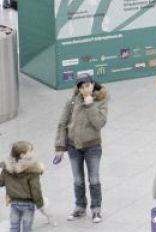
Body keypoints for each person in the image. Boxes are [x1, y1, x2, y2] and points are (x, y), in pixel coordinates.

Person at [54, 75, 108, 223]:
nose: (85, 89)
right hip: (73, 146)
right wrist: (60, 147)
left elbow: (99, 124)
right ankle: (80, 207)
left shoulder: (101, 100)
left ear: (92, 84)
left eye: (87, 85)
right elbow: (62, 123)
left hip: (93, 146)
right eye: (82, 87)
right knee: (78, 180)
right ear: (78, 88)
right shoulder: (72, 101)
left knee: (94, 179)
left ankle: (96, 210)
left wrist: (90, 105)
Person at [1, 141, 46, 231]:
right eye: (30, 151)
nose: (32, 154)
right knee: (27, 227)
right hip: (28, 204)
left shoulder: (7, 168)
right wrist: (40, 203)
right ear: (22, 155)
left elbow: (1, 182)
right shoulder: (32, 169)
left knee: (14, 226)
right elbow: (35, 189)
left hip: (14, 202)